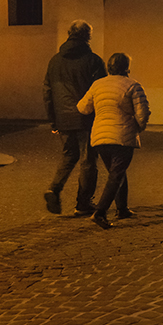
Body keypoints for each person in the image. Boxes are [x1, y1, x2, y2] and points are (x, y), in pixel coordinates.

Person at [79, 51, 150, 229]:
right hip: (122, 135)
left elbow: (83, 107)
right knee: (116, 174)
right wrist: (138, 127)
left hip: (100, 137)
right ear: (127, 67)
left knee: (117, 171)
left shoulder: (97, 84)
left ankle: (122, 208)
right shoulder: (133, 85)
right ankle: (100, 212)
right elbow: (142, 113)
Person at [42, 20, 106, 216]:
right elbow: (101, 90)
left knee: (69, 155)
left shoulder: (55, 61)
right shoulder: (93, 61)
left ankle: (54, 188)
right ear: (87, 36)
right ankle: (83, 203)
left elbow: (47, 91)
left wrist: (53, 119)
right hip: (86, 118)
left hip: (63, 118)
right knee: (88, 160)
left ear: (69, 34)